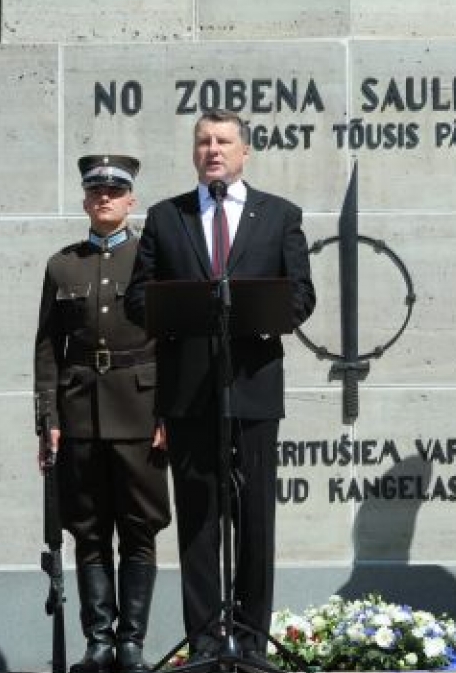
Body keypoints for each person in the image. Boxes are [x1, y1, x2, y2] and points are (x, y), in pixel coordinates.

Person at [125, 110, 315, 660]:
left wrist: (256, 314)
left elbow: (301, 296)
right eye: (204, 141)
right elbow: (140, 299)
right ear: (193, 153)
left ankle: (252, 642)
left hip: (252, 387)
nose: (213, 149)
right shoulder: (167, 218)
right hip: (189, 393)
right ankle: (207, 642)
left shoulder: (279, 216)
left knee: (255, 519)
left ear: (244, 152)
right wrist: (183, 311)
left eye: (224, 141)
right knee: (199, 521)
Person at [34, 154, 170, 673]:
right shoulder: (62, 265)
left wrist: (168, 415)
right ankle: (99, 641)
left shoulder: (152, 260)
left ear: (131, 199)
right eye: (96, 192)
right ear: (86, 199)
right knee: (88, 530)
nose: (105, 198)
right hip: (79, 413)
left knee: (139, 529)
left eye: (115, 191)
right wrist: (47, 418)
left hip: (141, 410)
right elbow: (47, 348)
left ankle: (132, 642)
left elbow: (170, 342)